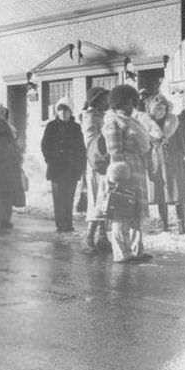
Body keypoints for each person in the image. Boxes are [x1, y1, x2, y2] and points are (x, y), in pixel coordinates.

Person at [102, 84, 153, 263]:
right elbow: (114, 150)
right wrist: (120, 174)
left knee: (135, 212)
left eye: (132, 103)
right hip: (124, 172)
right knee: (123, 211)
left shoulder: (133, 121)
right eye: (126, 104)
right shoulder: (113, 121)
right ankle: (122, 252)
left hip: (137, 170)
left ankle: (136, 249)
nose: (130, 107)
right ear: (117, 104)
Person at [139, 93, 185, 233]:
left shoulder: (174, 123)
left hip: (174, 161)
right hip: (156, 162)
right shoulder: (146, 126)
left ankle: (181, 224)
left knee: (178, 193)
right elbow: (144, 145)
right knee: (160, 193)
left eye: (163, 109)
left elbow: (182, 142)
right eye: (157, 109)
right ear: (151, 110)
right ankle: (165, 224)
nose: (160, 112)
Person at [41, 97, 87, 233]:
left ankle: (68, 223)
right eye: (60, 110)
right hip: (56, 168)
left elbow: (81, 148)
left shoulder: (76, 127)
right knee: (59, 198)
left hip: (71, 169)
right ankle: (60, 224)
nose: (63, 113)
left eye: (65, 110)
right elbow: (45, 145)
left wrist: (81, 165)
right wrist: (50, 159)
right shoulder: (51, 126)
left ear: (70, 112)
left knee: (69, 197)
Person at [81, 86, 112, 254]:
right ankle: (88, 237)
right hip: (96, 163)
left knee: (105, 199)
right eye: (104, 99)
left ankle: (102, 236)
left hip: (105, 161)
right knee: (97, 198)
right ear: (97, 100)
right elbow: (91, 141)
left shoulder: (102, 116)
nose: (107, 102)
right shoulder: (90, 117)